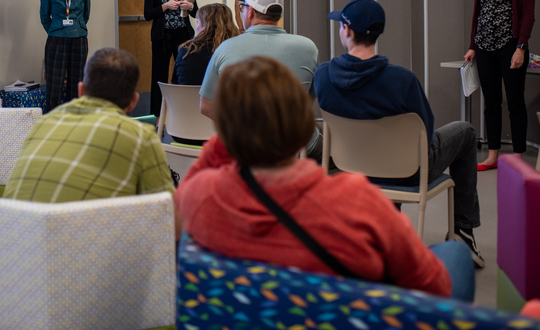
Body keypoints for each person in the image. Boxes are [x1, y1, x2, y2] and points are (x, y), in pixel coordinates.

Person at [175, 56, 474, 302]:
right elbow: (432, 287)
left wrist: (235, 130)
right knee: (454, 253)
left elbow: (178, 213)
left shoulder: (200, 197)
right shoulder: (356, 201)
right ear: (304, 126)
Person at [315, 0, 484, 268]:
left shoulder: (322, 75)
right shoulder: (402, 79)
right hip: (408, 174)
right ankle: (463, 233)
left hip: (350, 170)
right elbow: (425, 136)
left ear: (346, 30)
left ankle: (384, 229)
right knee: (465, 131)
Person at [4, 48, 179, 235]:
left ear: (81, 90)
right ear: (133, 102)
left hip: (14, 252)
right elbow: (171, 224)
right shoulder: (140, 137)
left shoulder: (42, 123)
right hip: (81, 256)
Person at [199, 0, 322, 160]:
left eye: (243, 7)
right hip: (296, 147)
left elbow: (206, 106)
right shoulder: (308, 47)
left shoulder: (225, 48)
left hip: (245, 148)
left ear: (250, 12)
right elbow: (307, 100)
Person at [464, 0, 535, 171]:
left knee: (515, 102)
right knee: (491, 102)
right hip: (484, 47)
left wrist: (521, 47)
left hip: (510, 46)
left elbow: (527, 15)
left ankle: (516, 158)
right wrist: (472, 45)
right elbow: (478, 13)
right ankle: (492, 155)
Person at [144, 0, 198, 120]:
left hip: (183, 36)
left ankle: (184, 116)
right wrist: (165, 6)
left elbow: (196, 13)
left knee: (184, 75)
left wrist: (189, 7)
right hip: (162, 37)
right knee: (159, 76)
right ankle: (159, 118)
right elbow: (147, 14)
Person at [40, 0, 90, 111]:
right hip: (57, 40)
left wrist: (77, 27)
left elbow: (86, 13)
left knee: (77, 84)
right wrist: (56, 30)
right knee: (54, 85)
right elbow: (45, 17)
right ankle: (53, 124)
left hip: (79, 39)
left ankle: (74, 122)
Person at [172, 3, 239, 86]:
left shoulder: (185, 50)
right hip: (221, 98)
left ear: (205, 26)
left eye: (197, 22)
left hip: (185, 98)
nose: (196, 27)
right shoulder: (235, 49)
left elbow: (175, 83)